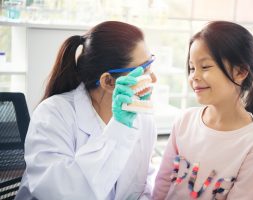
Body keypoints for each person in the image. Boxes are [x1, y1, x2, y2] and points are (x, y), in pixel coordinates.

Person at [15, 21, 157, 200]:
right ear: (108, 82)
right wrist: (119, 130)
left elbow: (144, 184)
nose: (153, 78)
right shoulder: (53, 114)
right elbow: (64, 193)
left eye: (151, 64)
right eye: (144, 69)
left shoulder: (141, 118)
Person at [153, 21, 253, 200]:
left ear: (240, 72)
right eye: (192, 67)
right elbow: (162, 183)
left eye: (205, 67)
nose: (194, 75)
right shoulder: (184, 121)